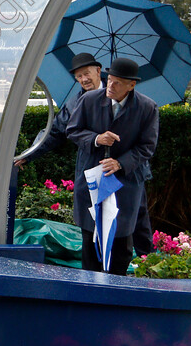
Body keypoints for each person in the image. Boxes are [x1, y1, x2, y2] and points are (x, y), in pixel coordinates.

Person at [15, 52, 153, 257]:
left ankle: (145, 264)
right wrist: (29, 154)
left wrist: (122, 162)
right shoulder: (76, 102)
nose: (84, 79)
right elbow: (56, 132)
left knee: (135, 222)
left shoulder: (132, 96)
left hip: (129, 173)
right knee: (93, 226)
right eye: (78, 76)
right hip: (95, 173)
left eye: (86, 73)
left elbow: (146, 142)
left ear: (99, 71)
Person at [66, 58, 158, 275]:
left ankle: (117, 289)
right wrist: (97, 139)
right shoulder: (89, 100)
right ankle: (90, 294)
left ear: (131, 85)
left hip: (125, 181)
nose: (110, 86)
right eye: (109, 80)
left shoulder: (147, 107)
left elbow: (147, 146)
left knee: (122, 240)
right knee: (90, 238)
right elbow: (72, 130)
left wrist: (120, 163)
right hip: (92, 178)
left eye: (117, 83)